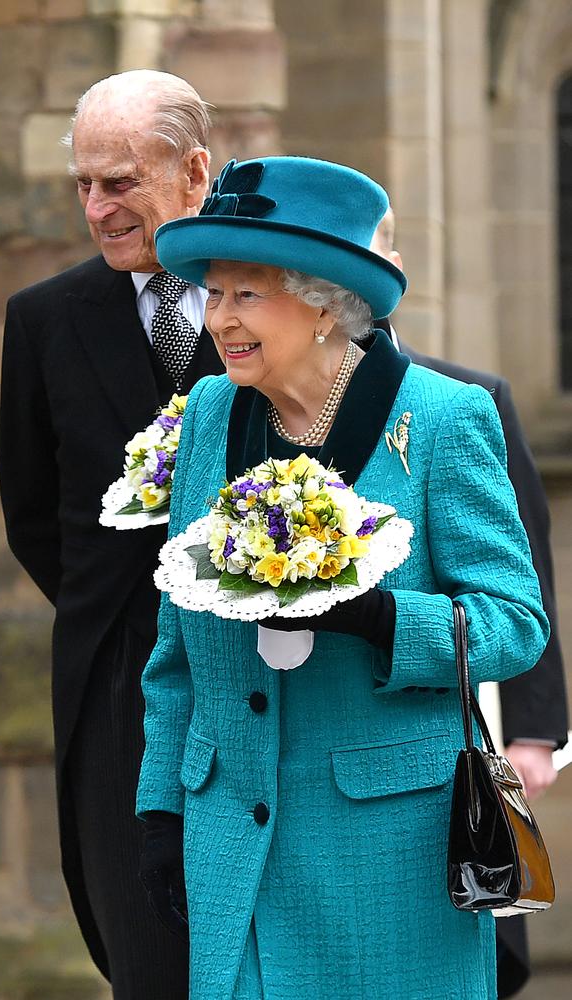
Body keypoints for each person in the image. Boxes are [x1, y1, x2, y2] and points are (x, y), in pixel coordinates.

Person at [135, 156, 550, 999]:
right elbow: (174, 645)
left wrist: (382, 619)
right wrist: (160, 810)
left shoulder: (441, 419)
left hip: (390, 852)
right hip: (231, 843)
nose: (218, 319)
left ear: (324, 301)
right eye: (213, 294)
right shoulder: (209, 415)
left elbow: (514, 622)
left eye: (245, 294)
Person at [0, 70, 224, 998]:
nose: (97, 208)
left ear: (195, 173)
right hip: (118, 688)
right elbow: (31, 516)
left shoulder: (284, 299)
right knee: (149, 958)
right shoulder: (43, 321)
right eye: (83, 185)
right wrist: (133, 614)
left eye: (120, 181)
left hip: (280, 669)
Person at [370, 209, 569, 998]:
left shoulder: (468, 399)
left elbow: (526, 578)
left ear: (392, 262)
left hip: (460, 701)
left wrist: (534, 730)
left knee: (485, 925)